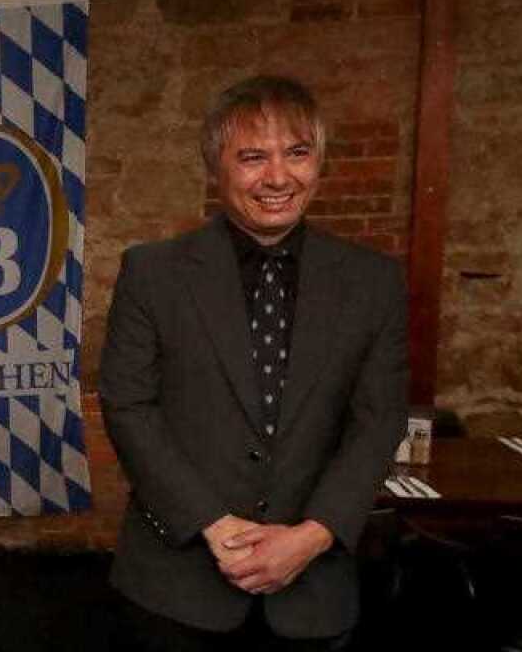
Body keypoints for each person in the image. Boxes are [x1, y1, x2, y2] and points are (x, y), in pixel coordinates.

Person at [99, 75, 408, 651]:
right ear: (215, 168)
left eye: (297, 153)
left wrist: (312, 537)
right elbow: (127, 406)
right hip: (175, 586)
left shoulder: (374, 283)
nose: (278, 177)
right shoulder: (152, 273)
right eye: (252, 157)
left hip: (314, 591)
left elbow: (378, 421)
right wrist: (212, 525)